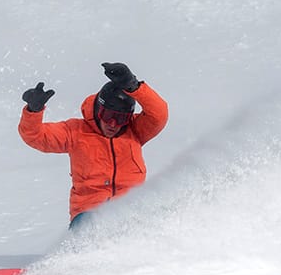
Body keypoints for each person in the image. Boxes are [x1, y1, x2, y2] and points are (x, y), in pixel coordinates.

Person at [19, 62, 169, 229]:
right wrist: (33, 111)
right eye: (108, 115)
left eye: (120, 119)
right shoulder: (75, 132)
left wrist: (132, 86)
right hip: (89, 212)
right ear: (98, 109)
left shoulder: (135, 130)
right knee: (94, 228)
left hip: (131, 210)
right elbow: (36, 136)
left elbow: (159, 114)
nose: (113, 124)